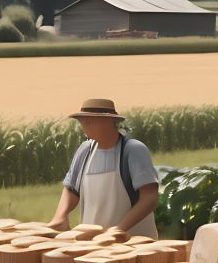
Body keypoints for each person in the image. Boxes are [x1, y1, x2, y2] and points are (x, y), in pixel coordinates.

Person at [49, 98, 159, 238]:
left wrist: (118, 230)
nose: (84, 124)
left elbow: (149, 197)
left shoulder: (133, 150)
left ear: (109, 121)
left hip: (133, 242)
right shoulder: (85, 151)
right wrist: (61, 215)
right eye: (82, 120)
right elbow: (71, 189)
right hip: (94, 244)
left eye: (90, 121)